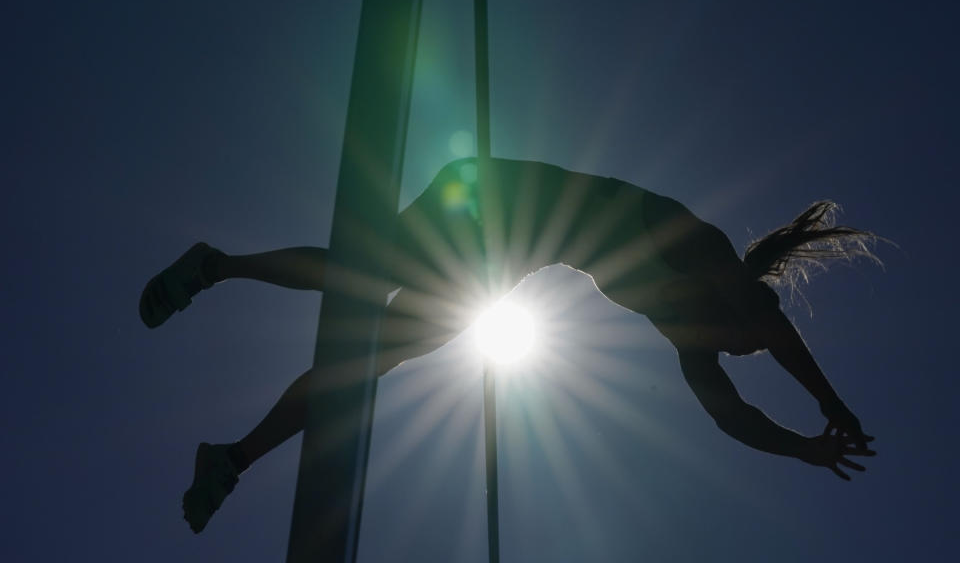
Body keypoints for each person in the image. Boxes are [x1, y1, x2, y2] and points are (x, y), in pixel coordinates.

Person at [140, 157, 878, 533]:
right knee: (370, 273)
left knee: (367, 359)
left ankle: (230, 459)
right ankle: (217, 267)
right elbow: (779, 334)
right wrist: (832, 404)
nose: (725, 347)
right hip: (495, 200)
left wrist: (806, 449)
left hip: (504, 254)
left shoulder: (688, 339)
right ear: (743, 308)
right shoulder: (706, 252)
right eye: (741, 337)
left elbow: (732, 419)